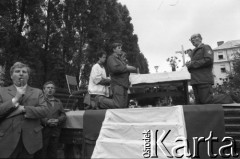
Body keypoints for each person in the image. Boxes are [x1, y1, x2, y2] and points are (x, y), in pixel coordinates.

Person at [0, 62, 50, 158]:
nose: (21, 73)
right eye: (17, 71)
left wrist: (23, 109)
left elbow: (45, 111)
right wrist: (15, 99)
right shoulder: (1, 91)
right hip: (6, 139)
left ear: (28, 76)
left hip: (31, 140)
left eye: (24, 72)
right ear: (11, 76)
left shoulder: (37, 92)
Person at [186, 33, 236, 104]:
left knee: (207, 100)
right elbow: (194, 65)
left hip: (203, 79)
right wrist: (189, 66)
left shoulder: (206, 47)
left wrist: (192, 64)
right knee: (199, 102)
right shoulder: (194, 51)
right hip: (195, 80)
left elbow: (208, 60)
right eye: (191, 39)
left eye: (194, 38)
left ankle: (228, 97)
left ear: (200, 38)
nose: (192, 40)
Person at [96, 42, 136, 108]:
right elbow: (114, 69)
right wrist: (126, 68)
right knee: (119, 105)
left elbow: (123, 71)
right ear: (114, 49)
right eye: (119, 48)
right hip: (118, 85)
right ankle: (100, 100)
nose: (121, 49)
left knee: (124, 106)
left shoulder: (119, 60)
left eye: (121, 48)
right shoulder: (111, 58)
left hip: (124, 85)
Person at [35, 81, 66, 159]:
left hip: (55, 131)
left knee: (53, 152)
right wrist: (46, 121)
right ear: (44, 89)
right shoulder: (39, 101)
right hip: (43, 130)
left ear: (54, 90)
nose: (50, 89)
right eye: (48, 88)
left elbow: (63, 114)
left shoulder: (58, 101)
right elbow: (36, 114)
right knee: (42, 152)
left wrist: (58, 120)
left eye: (52, 88)